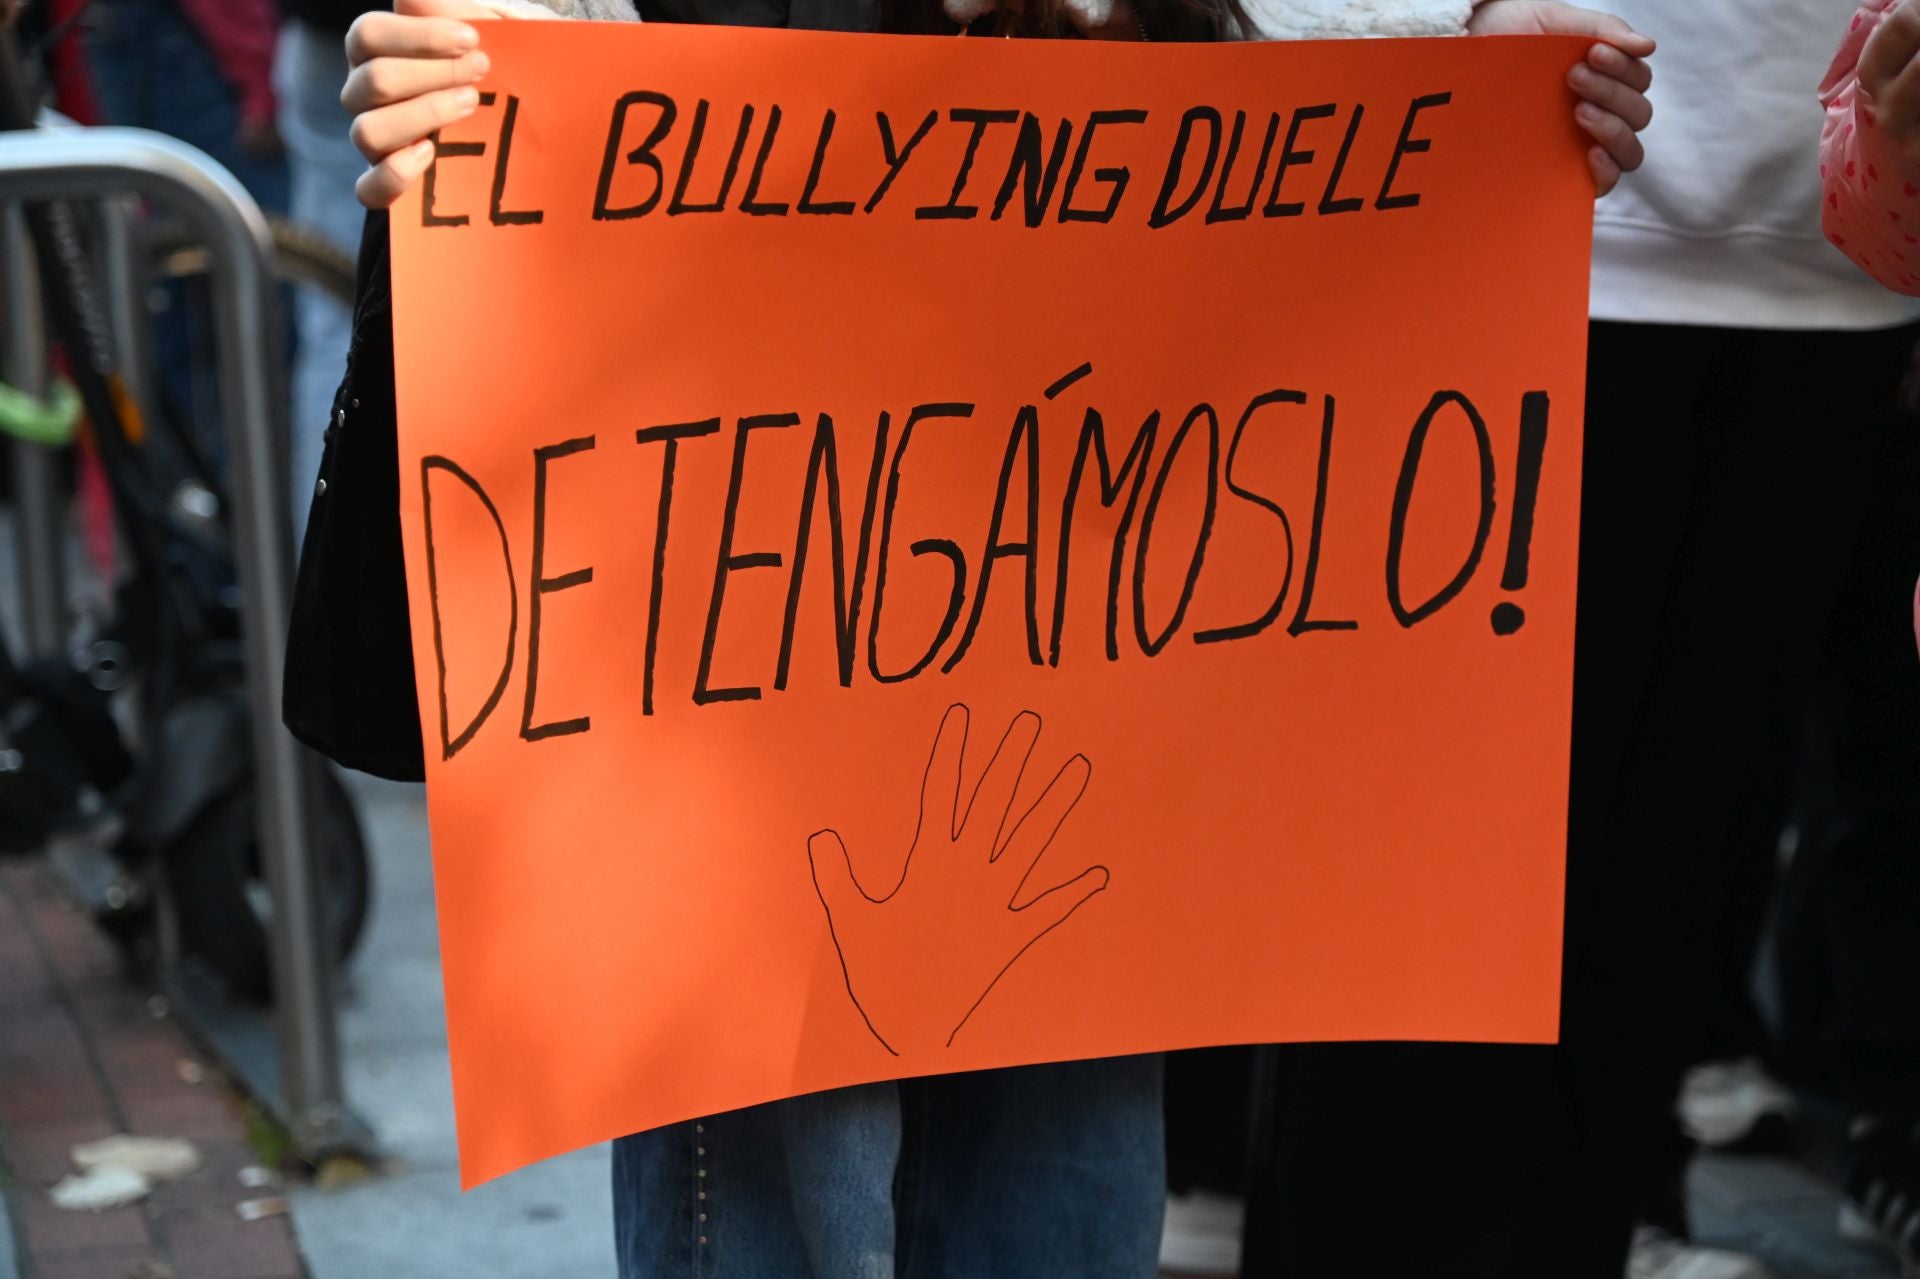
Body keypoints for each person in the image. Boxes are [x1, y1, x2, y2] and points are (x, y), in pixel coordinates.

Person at [297, 1, 1652, 1274]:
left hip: (1065, 514)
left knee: (1060, 1142)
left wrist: (1476, 76)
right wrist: (494, 62)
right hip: (751, 522)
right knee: (801, 1140)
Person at [1248, 4, 1920, 1278]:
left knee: (1654, 948)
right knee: (1410, 969)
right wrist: (1429, 23)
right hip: (1499, 184)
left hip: (1837, 256)